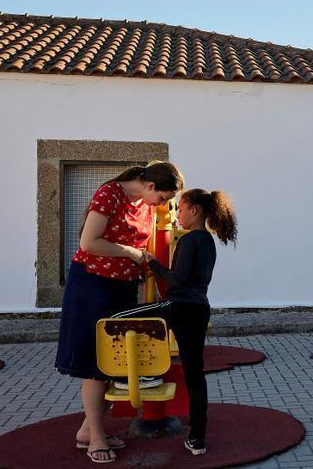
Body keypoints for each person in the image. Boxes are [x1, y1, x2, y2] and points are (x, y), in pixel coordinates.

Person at [55, 161, 184, 464]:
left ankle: (89, 429)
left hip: (121, 286)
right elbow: (89, 242)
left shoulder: (143, 203)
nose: (163, 205)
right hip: (92, 284)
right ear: (150, 186)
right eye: (163, 198)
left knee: (113, 362)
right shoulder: (109, 194)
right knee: (95, 363)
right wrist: (133, 253)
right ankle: (95, 438)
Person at [110, 188, 238, 456]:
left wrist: (152, 262)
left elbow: (177, 280)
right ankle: (197, 438)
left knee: (116, 321)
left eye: (180, 208)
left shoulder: (190, 241)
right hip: (200, 308)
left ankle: (137, 375)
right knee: (195, 374)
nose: (177, 213)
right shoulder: (209, 241)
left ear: (195, 211)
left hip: (178, 305)